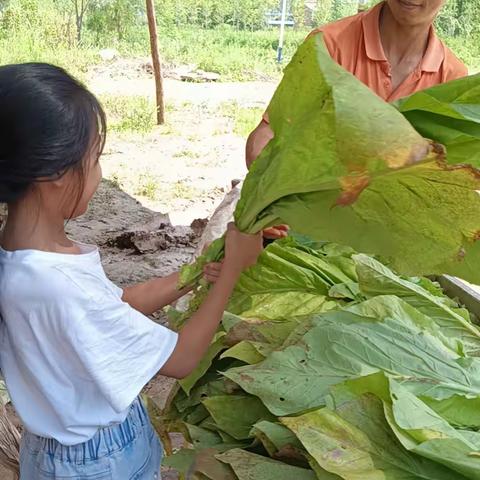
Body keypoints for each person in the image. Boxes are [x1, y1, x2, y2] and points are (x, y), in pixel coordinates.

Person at [0, 63, 263, 479]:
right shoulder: (60, 286)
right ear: (51, 173)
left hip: (52, 451)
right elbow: (181, 359)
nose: (100, 174)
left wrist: (191, 277)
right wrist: (231, 271)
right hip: (98, 462)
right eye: (94, 158)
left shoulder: (22, 258)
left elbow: (115, 303)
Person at [247, 0, 467, 240]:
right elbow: (266, 137)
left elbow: (443, 183)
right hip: (308, 227)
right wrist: (272, 203)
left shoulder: (453, 77)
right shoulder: (329, 45)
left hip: (384, 237)